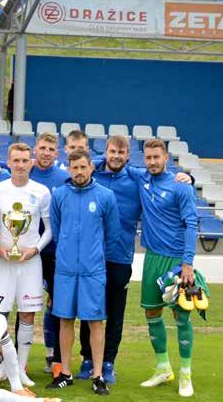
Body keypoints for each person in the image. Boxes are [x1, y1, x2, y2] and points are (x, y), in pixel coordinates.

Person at [76, 135, 193, 384]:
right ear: (105, 152)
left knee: (116, 313)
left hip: (120, 256)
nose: (116, 156)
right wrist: (95, 161)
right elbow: (83, 162)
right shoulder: (92, 173)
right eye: (111, 151)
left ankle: (108, 363)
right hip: (91, 256)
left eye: (121, 152)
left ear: (129, 156)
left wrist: (188, 178)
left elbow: (167, 180)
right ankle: (87, 359)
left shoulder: (137, 178)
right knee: (89, 309)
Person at [48, 149, 122, 396]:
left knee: (96, 322)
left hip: (93, 271)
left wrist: (95, 258)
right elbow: (58, 232)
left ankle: (98, 375)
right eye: (74, 167)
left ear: (91, 167)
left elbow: (112, 236)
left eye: (83, 167)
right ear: (69, 169)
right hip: (66, 270)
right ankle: (65, 373)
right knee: (65, 320)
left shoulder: (106, 196)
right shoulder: (59, 196)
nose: (79, 172)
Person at [136, 138, 199, 397]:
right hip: (152, 258)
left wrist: (188, 263)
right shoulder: (142, 179)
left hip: (176, 261)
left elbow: (192, 224)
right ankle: (163, 368)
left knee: (181, 316)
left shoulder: (180, 186)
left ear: (166, 158)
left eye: (156, 157)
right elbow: (108, 162)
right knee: (152, 315)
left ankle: (186, 374)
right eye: (148, 158)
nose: (152, 162)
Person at [0, 143, 51, 388]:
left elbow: (49, 230)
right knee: (0, 315)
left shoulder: (42, 191)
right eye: (16, 160)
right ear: (8, 162)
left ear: (31, 162)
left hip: (30, 263)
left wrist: (35, 249)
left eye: (25, 160)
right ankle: (1, 369)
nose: (21, 165)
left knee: (27, 314)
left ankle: (21, 369)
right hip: (2, 260)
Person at [29, 133, 69, 376]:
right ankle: (14, 356)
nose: (45, 152)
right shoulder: (24, 173)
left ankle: (52, 354)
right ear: (35, 150)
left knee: (55, 304)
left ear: (57, 153)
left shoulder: (64, 178)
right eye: (42, 147)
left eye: (50, 149)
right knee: (24, 304)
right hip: (28, 251)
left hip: (55, 252)